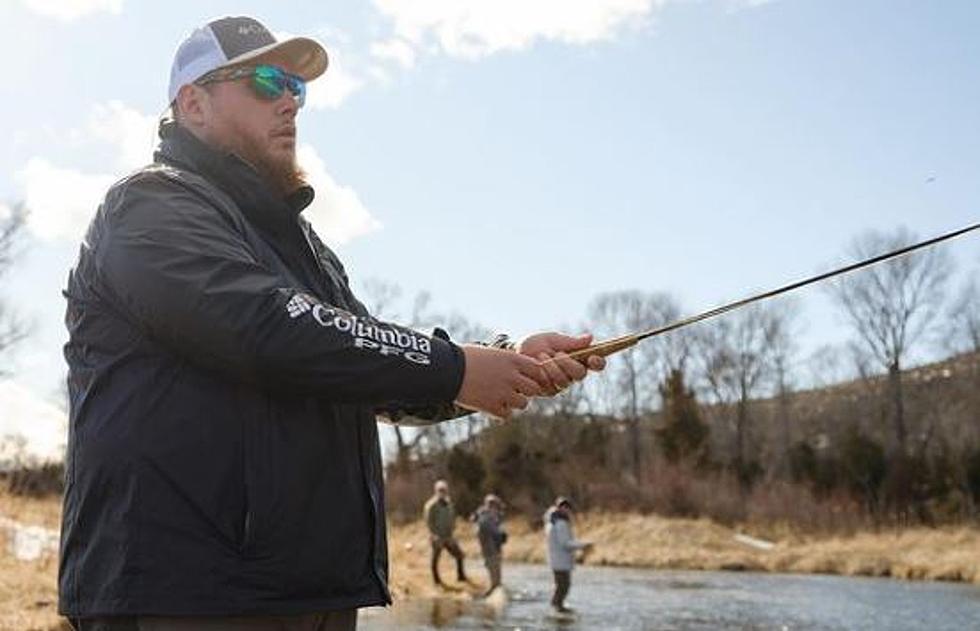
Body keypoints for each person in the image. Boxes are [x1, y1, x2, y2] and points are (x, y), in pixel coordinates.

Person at [58, 15, 604, 631]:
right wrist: (456, 369)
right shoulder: (148, 204)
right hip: (183, 592)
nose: (290, 99)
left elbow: (363, 359)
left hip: (309, 590)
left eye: (298, 87)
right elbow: (264, 324)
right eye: (266, 80)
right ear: (195, 104)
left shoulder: (305, 246)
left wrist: (509, 360)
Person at [545, 497, 593, 615]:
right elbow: (565, 543)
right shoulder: (560, 523)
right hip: (560, 561)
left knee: (562, 586)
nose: (566, 510)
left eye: (568, 507)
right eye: (564, 507)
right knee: (563, 587)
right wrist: (583, 545)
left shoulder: (553, 521)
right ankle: (557, 609)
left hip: (558, 561)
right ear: (559, 508)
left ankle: (557, 608)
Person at [423, 480, 467, 585]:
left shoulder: (449, 504)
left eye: (444, 490)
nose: (443, 492)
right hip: (436, 536)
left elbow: (452, 518)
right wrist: (434, 535)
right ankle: (436, 581)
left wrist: (452, 531)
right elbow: (429, 522)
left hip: (448, 536)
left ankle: (461, 577)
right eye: (440, 490)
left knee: (460, 555)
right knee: (435, 559)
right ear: (436, 491)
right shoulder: (431, 505)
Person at [473, 494, 507, 596]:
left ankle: (495, 590)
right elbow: (491, 531)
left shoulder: (495, 516)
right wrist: (500, 534)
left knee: (497, 574)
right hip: (489, 549)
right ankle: (492, 593)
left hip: (496, 548)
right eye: (495, 506)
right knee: (493, 573)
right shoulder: (484, 517)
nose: (496, 508)